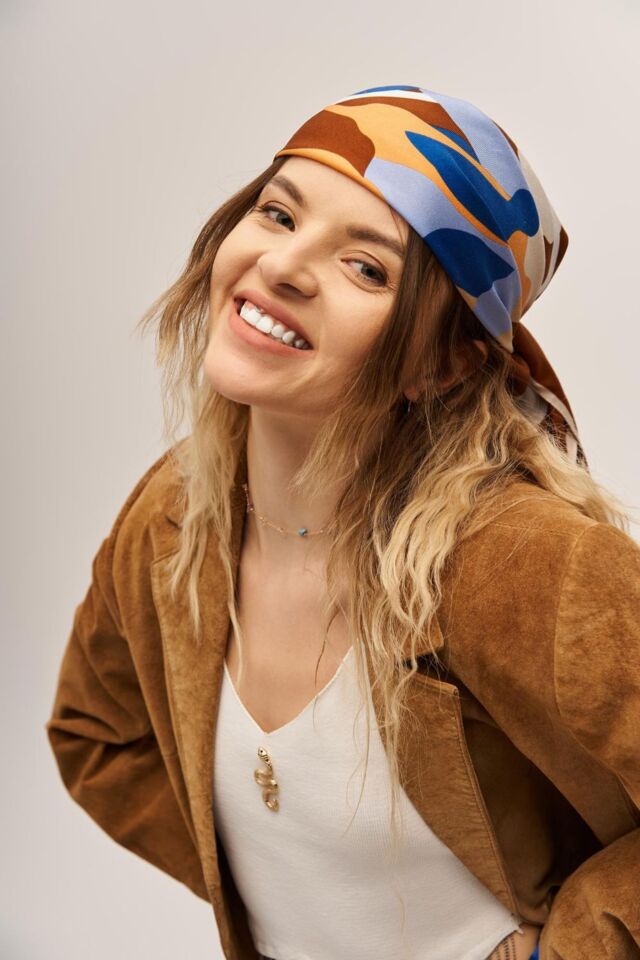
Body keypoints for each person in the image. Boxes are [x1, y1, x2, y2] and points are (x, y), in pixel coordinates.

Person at [45, 84, 640, 960]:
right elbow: (95, 736)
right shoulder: (171, 519)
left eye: (367, 267)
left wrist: (574, 946)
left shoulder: (529, 563)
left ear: (442, 363)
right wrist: (271, 891)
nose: (284, 265)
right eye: (279, 213)